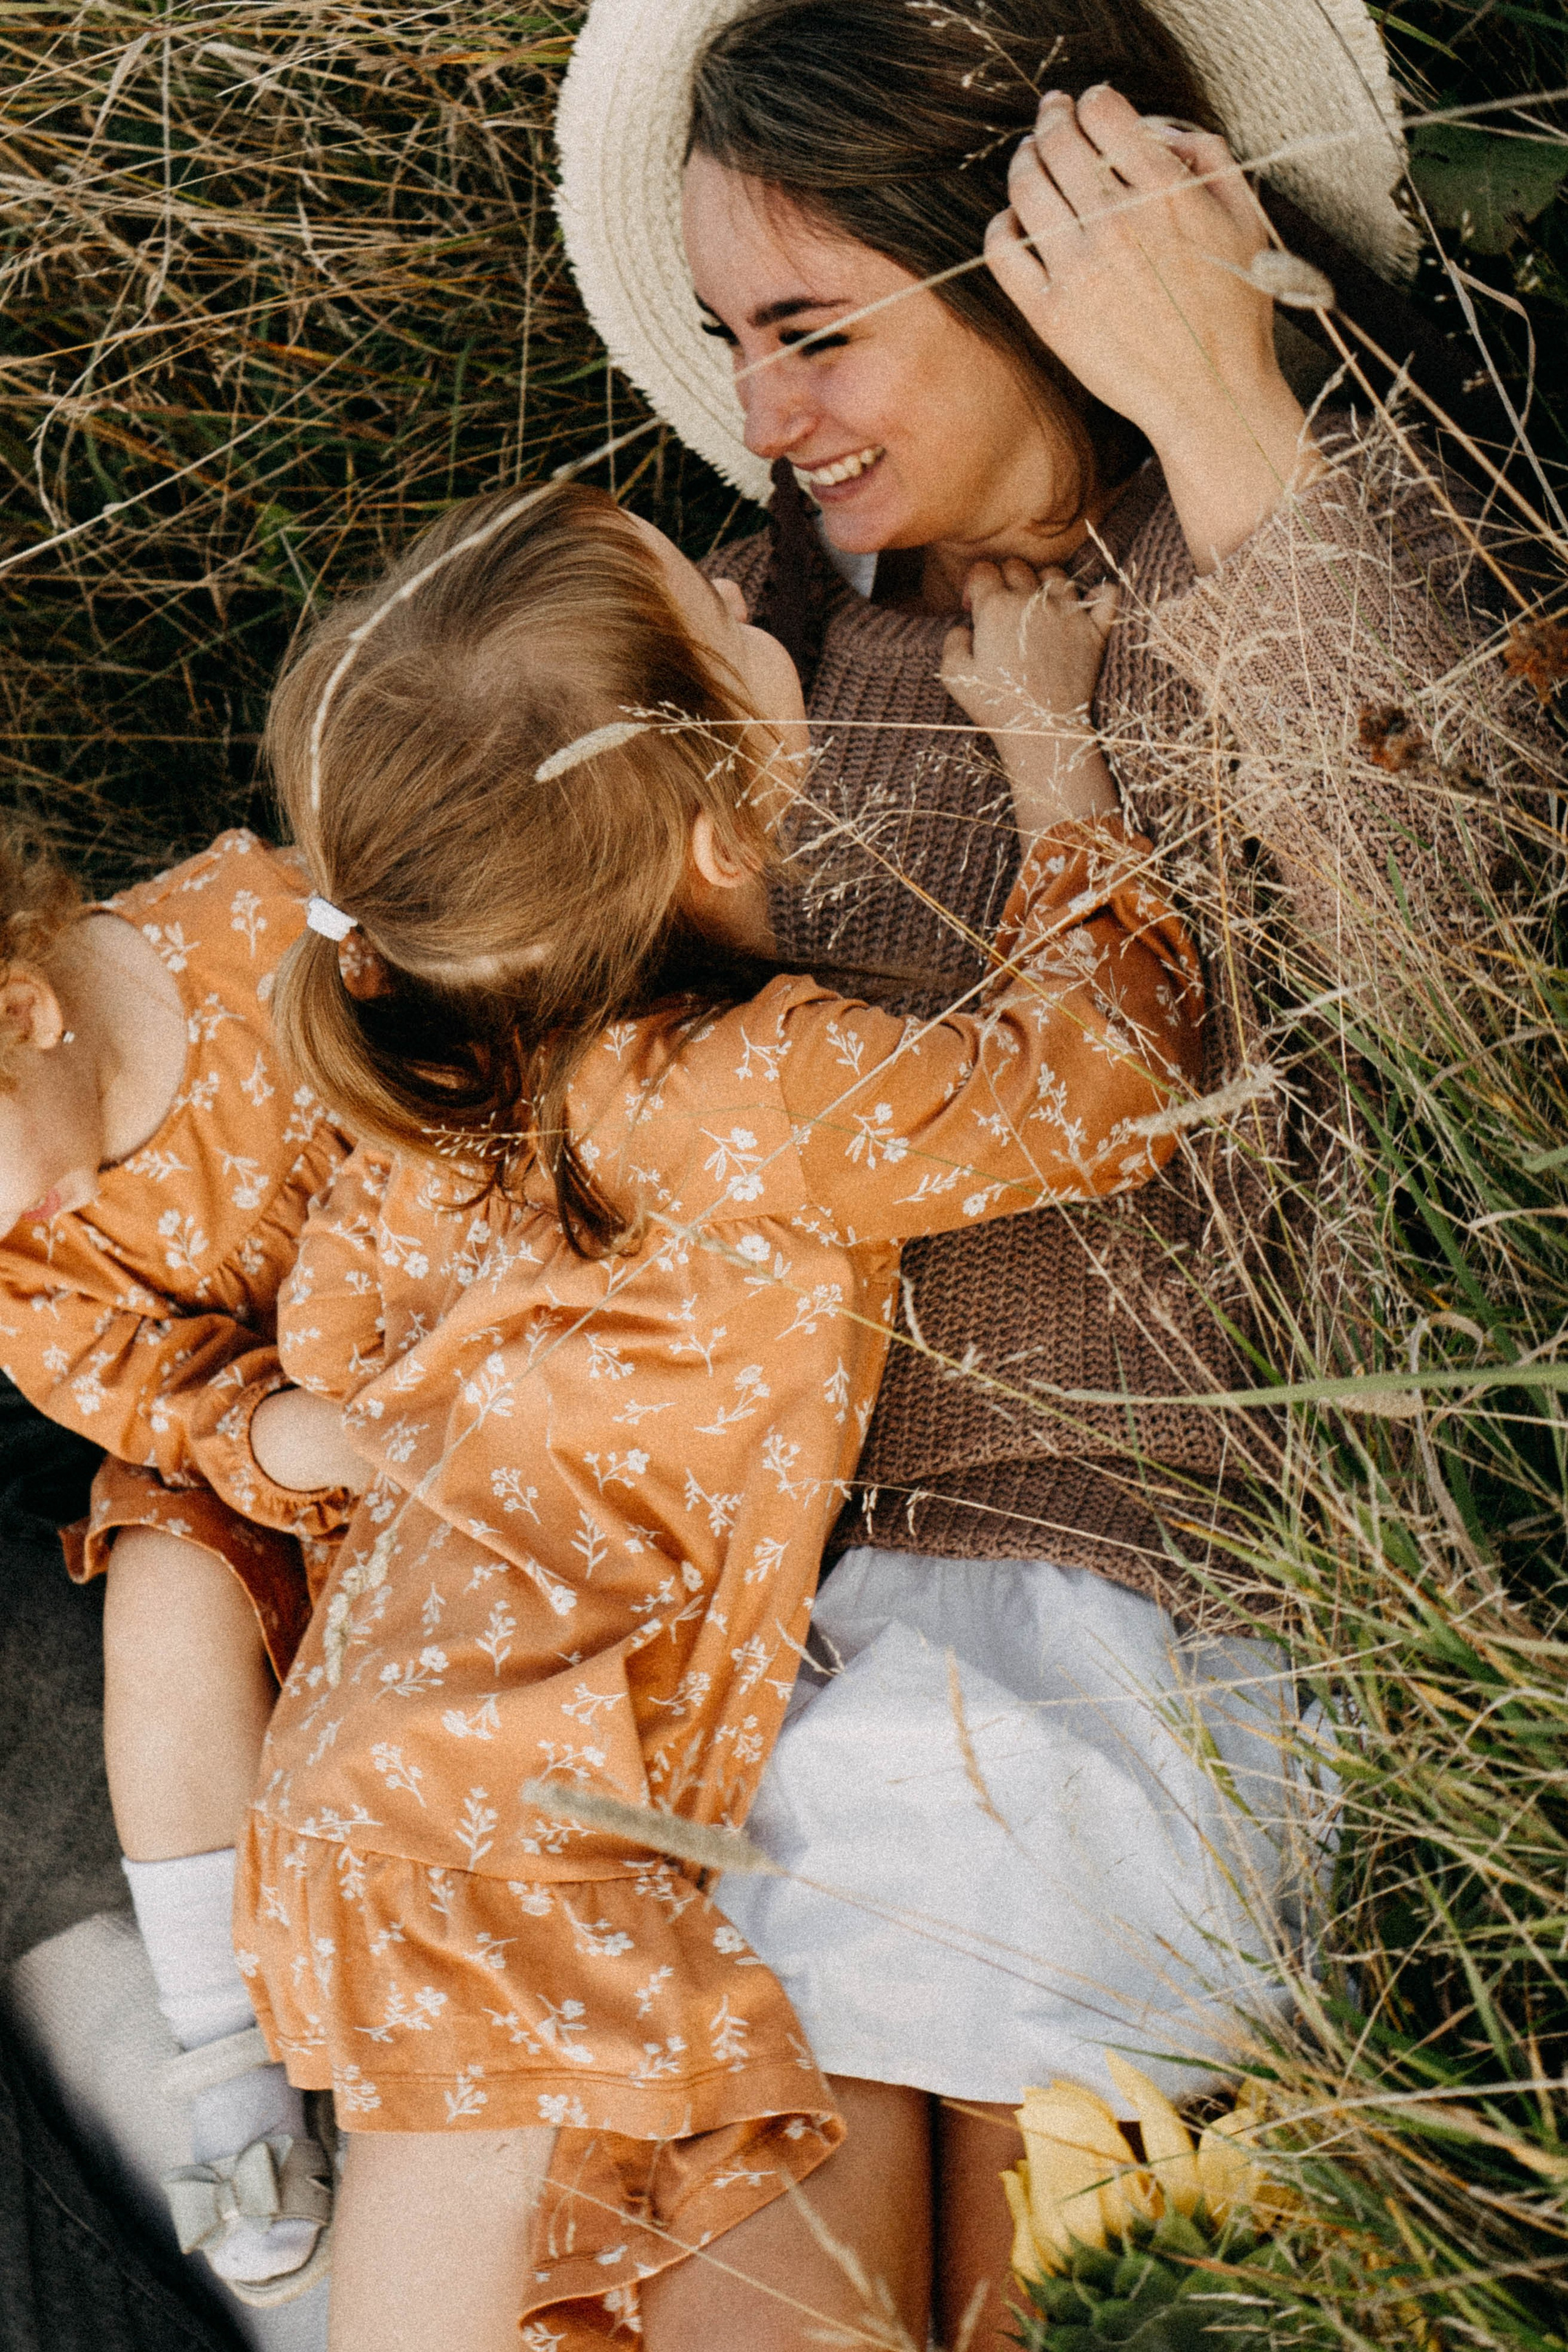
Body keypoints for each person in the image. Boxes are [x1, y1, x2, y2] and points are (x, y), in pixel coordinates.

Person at [553, 1, 1556, 2343]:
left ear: (1055, 255)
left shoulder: (1331, 526)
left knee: (1058, 2273)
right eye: (731, 342)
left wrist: (1221, 414)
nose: (768, 417)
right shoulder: (765, 623)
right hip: (738, 1630)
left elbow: (1485, 1000)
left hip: (1126, 1628)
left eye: (816, 333)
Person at [227, 475, 1203, 2350]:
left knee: (517, 2256)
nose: (768, 613)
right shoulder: (732, 1089)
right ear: (697, 817)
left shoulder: (424, 1098)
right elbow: (1107, 1085)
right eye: (730, 619)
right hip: (530, 1772)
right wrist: (1055, 758)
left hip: (396, 1734)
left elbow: (338, 1348)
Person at [0, 822, 369, 2304]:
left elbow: (462, 1090)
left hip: (455, 1346)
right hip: (274, 1463)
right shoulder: (25, 1266)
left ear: (21, 1015)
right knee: (157, 1579)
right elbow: (170, 1405)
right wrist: (327, 1437)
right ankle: (223, 2054)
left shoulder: (269, 929)